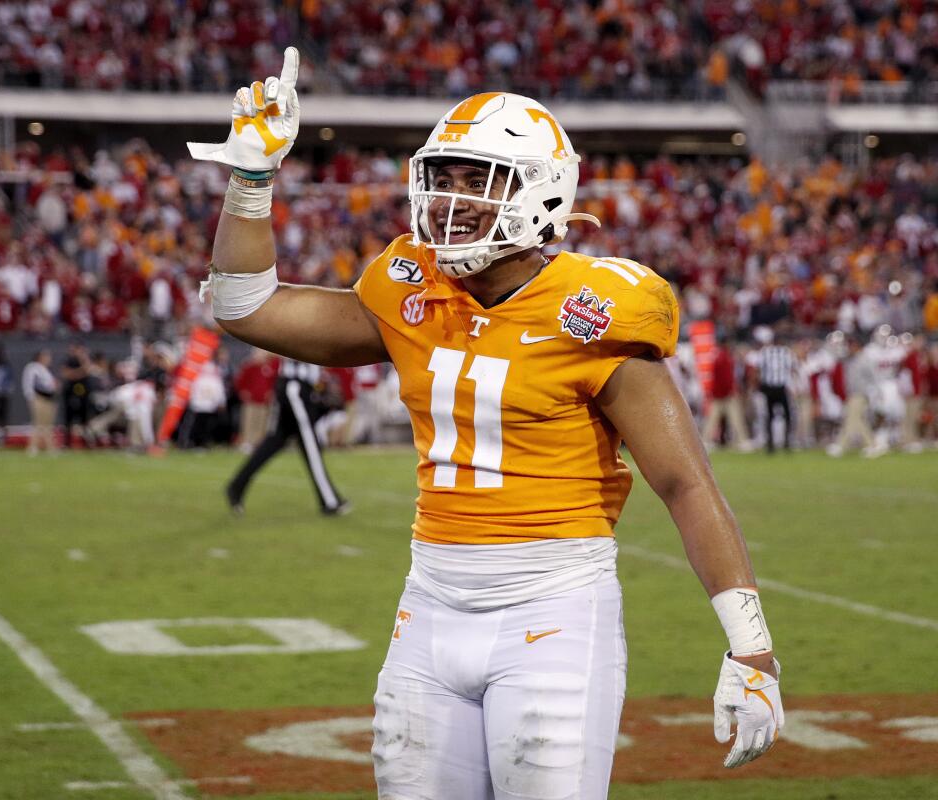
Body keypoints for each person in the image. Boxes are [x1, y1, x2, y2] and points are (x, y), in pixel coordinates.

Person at [191, 49, 783, 797]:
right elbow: (245, 305)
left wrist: (752, 650)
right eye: (444, 178)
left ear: (541, 193)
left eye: (481, 180)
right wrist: (251, 180)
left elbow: (685, 483)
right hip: (430, 602)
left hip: (554, 607)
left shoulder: (594, 309)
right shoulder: (411, 287)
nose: (452, 199)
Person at [224, 356, 350, 516]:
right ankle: (329, 501)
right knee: (310, 442)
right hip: (295, 387)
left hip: (294, 386)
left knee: (275, 440)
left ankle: (237, 485)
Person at [22, 349, 59, 454]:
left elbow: (50, 386)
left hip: (48, 399)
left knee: (48, 425)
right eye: (46, 356)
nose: (49, 359)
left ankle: (50, 447)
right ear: (40, 357)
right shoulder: (33, 368)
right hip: (39, 398)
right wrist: (31, 398)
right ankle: (33, 447)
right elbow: (29, 383)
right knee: (38, 424)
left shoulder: (46, 370)